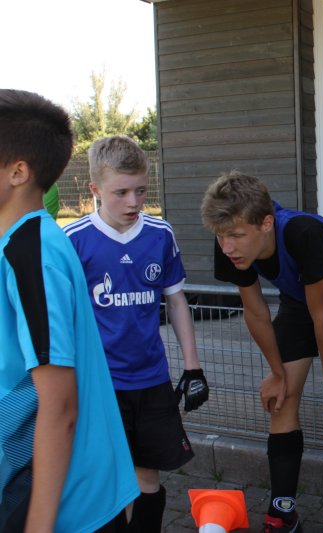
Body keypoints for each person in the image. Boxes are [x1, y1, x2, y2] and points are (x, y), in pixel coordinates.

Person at [201, 171, 323, 533]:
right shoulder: (229, 242)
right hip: (301, 300)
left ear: (266, 223)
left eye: (236, 236)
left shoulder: (302, 233)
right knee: (280, 400)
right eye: (221, 236)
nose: (228, 247)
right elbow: (255, 312)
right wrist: (278, 373)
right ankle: (283, 512)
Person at [0, 89, 139, 531]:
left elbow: (60, 407)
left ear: (18, 172)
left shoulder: (32, 252)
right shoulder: (24, 243)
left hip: (67, 508)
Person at [64, 135, 208, 532]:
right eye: (121, 192)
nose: (133, 202)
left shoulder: (160, 234)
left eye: (141, 191)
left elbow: (176, 301)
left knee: (148, 477)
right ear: (95, 189)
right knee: (110, 481)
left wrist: (193, 367)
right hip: (100, 385)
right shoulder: (73, 240)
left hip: (151, 379)